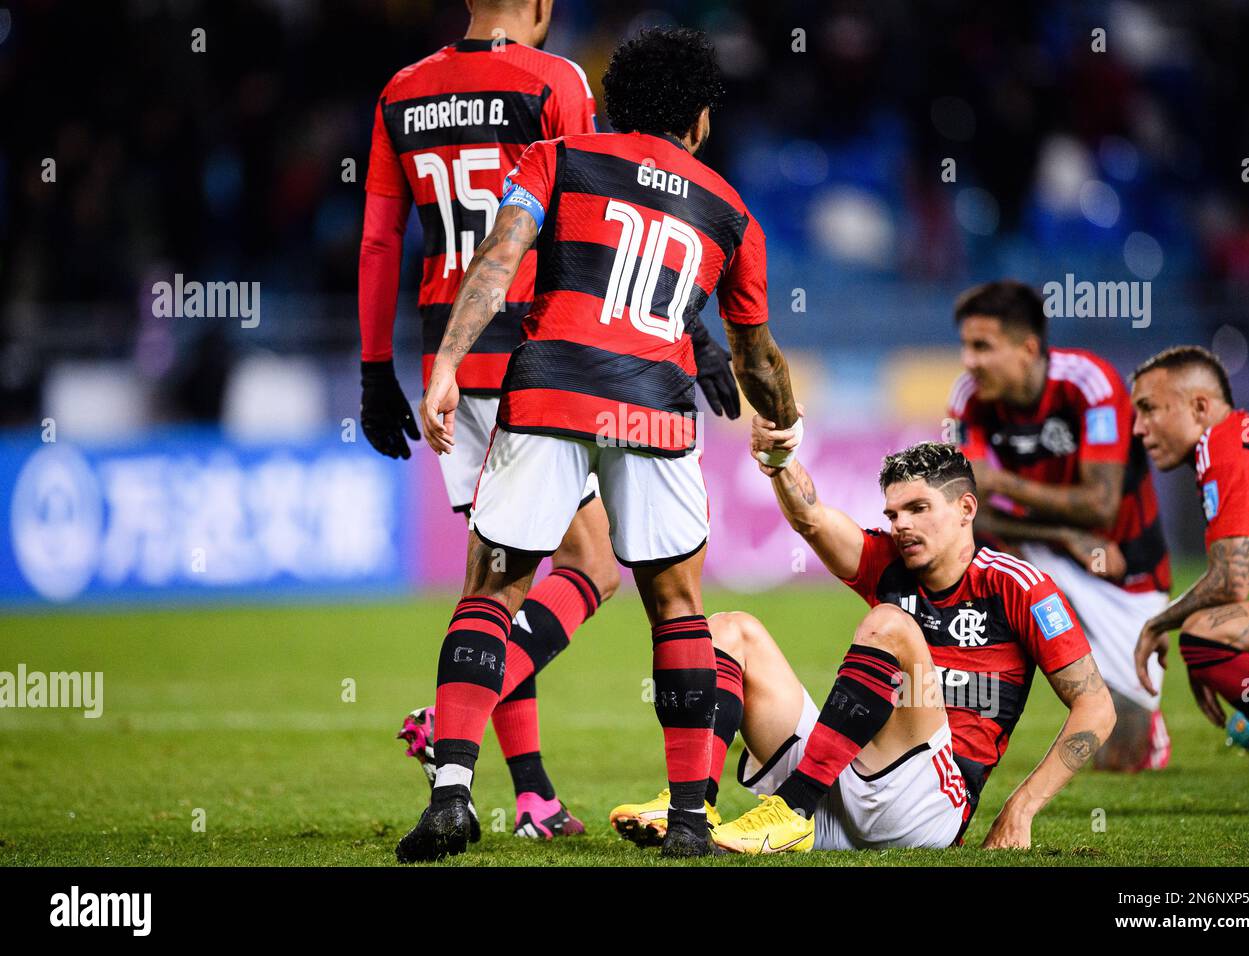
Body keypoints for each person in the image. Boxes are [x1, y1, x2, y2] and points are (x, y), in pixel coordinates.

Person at [399, 26, 798, 861]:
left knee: (493, 586)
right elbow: (757, 357)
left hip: (549, 387)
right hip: (653, 406)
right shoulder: (730, 212)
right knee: (678, 608)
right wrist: (781, 414)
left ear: (615, 103)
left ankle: (452, 797)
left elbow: (499, 260)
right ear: (697, 118)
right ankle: (691, 819)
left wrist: (444, 364)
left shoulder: (558, 157)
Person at [613, 439, 1116, 851]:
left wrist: (1020, 807)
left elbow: (1096, 707)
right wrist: (779, 457)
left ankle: (792, 809)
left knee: (889, 624)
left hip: (927, 807)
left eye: (918, 509)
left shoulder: (1017, 585)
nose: (902, 525)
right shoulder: (888, 559)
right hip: (839, 783)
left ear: (966, 509)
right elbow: (810, 519)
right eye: (894, 513)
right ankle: (693, 805)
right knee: (728, 629)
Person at [948, 280, 1171, 771]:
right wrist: (1064, 537)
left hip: (1123, 564)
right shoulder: (968, 399)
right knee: (955, 544)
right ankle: (963, 719)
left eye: (982, 346)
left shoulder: (1089, 383)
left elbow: (1101, 507)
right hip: (1041, 552)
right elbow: (968, 510)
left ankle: (1145, 723)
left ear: (1028, 348)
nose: (969, 360)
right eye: (965, 345)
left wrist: (1003, 480)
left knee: (1124, 760)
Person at [1130, 345, 1249, 817]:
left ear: (1199, 406)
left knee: (1207, 634)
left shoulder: (1228, 447)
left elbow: (1230, 582)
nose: (1139, 428)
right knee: (1212, 635)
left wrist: (1157, 625)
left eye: (1149, 409)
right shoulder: (1239, 439)